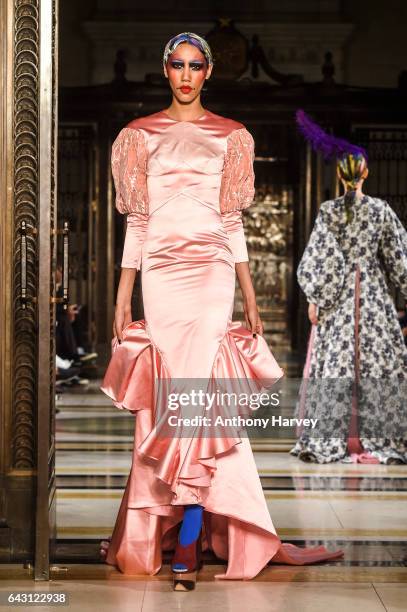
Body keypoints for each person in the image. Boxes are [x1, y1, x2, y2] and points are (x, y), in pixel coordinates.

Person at [99, 36, 342, 591]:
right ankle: (168, 526)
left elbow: (232, 223)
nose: (186, 74)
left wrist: (250, 293)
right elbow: (136, 221)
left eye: (196, 66)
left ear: (208, 73)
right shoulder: (138, 136)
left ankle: (189, 531)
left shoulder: (231, 136)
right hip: (160, 277)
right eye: (178, 65)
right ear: (166, 70)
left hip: (210, 278)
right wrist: (122, 295)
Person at [291, 109, 407, 465]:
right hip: (373, 299)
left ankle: (331, 439)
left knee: (336, 365)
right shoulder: (381, 210)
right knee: (378, 363)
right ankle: (380, 438)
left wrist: (317, 297)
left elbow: (319, 258)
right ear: (366, 172)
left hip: (339, 301)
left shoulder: (329, 211)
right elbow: (398, 259)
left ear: (339, 176)